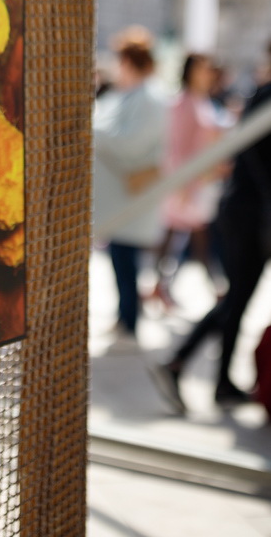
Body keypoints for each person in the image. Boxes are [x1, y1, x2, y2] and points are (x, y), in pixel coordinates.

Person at [151, 39, 271, 413]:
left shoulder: (263, 93)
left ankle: (217, 380)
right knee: (238, 296)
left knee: (238, 296)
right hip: (252, 213)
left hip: (241, 209)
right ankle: (181, 363)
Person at [93, 27, 167, 345]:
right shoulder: (132, 95)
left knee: (127, 263)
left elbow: (132, 143)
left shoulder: (148, 97)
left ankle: (130, 321)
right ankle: (125, 318)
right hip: (121, 197)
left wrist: (94, 135)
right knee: (121, 262)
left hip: (130, 197)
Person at [151, 54, 226, 309]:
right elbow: (177, 146)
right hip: (186, 183)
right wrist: (181, 183)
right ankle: (213, 287)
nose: (206, 74)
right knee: (192, 235)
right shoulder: (183, 103)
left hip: (197, 182)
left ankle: (162, 286)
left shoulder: (202, 101)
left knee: (184, 236)